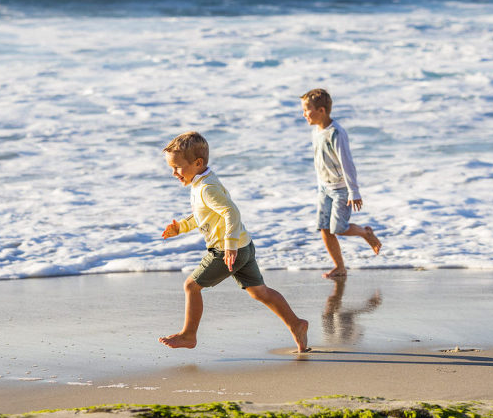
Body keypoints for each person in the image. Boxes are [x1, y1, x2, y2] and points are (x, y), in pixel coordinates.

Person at [159, 132, 310, 353]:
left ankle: (189, 335)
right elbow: (206, 215)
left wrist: (228, 245)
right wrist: (181, 227)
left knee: (191, 286)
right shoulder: (203, 180)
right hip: (243, 246)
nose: (174, 173)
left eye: (177, 168)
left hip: (227, 250)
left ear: (197, 163)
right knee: (260, 292)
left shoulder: (206, 188)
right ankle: (296, 324)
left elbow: (231, 212)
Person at [301, 88, 382, 279]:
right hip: (324, 188)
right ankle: (339, 267)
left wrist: (354, 191)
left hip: (341, 189)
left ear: (321, 110)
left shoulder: (336, 133)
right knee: (324, 228)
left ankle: (365, 233)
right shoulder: (316, 131)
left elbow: (347, 163)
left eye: (307, 110)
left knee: (339, 228)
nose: (304, 114)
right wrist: (320, 184)